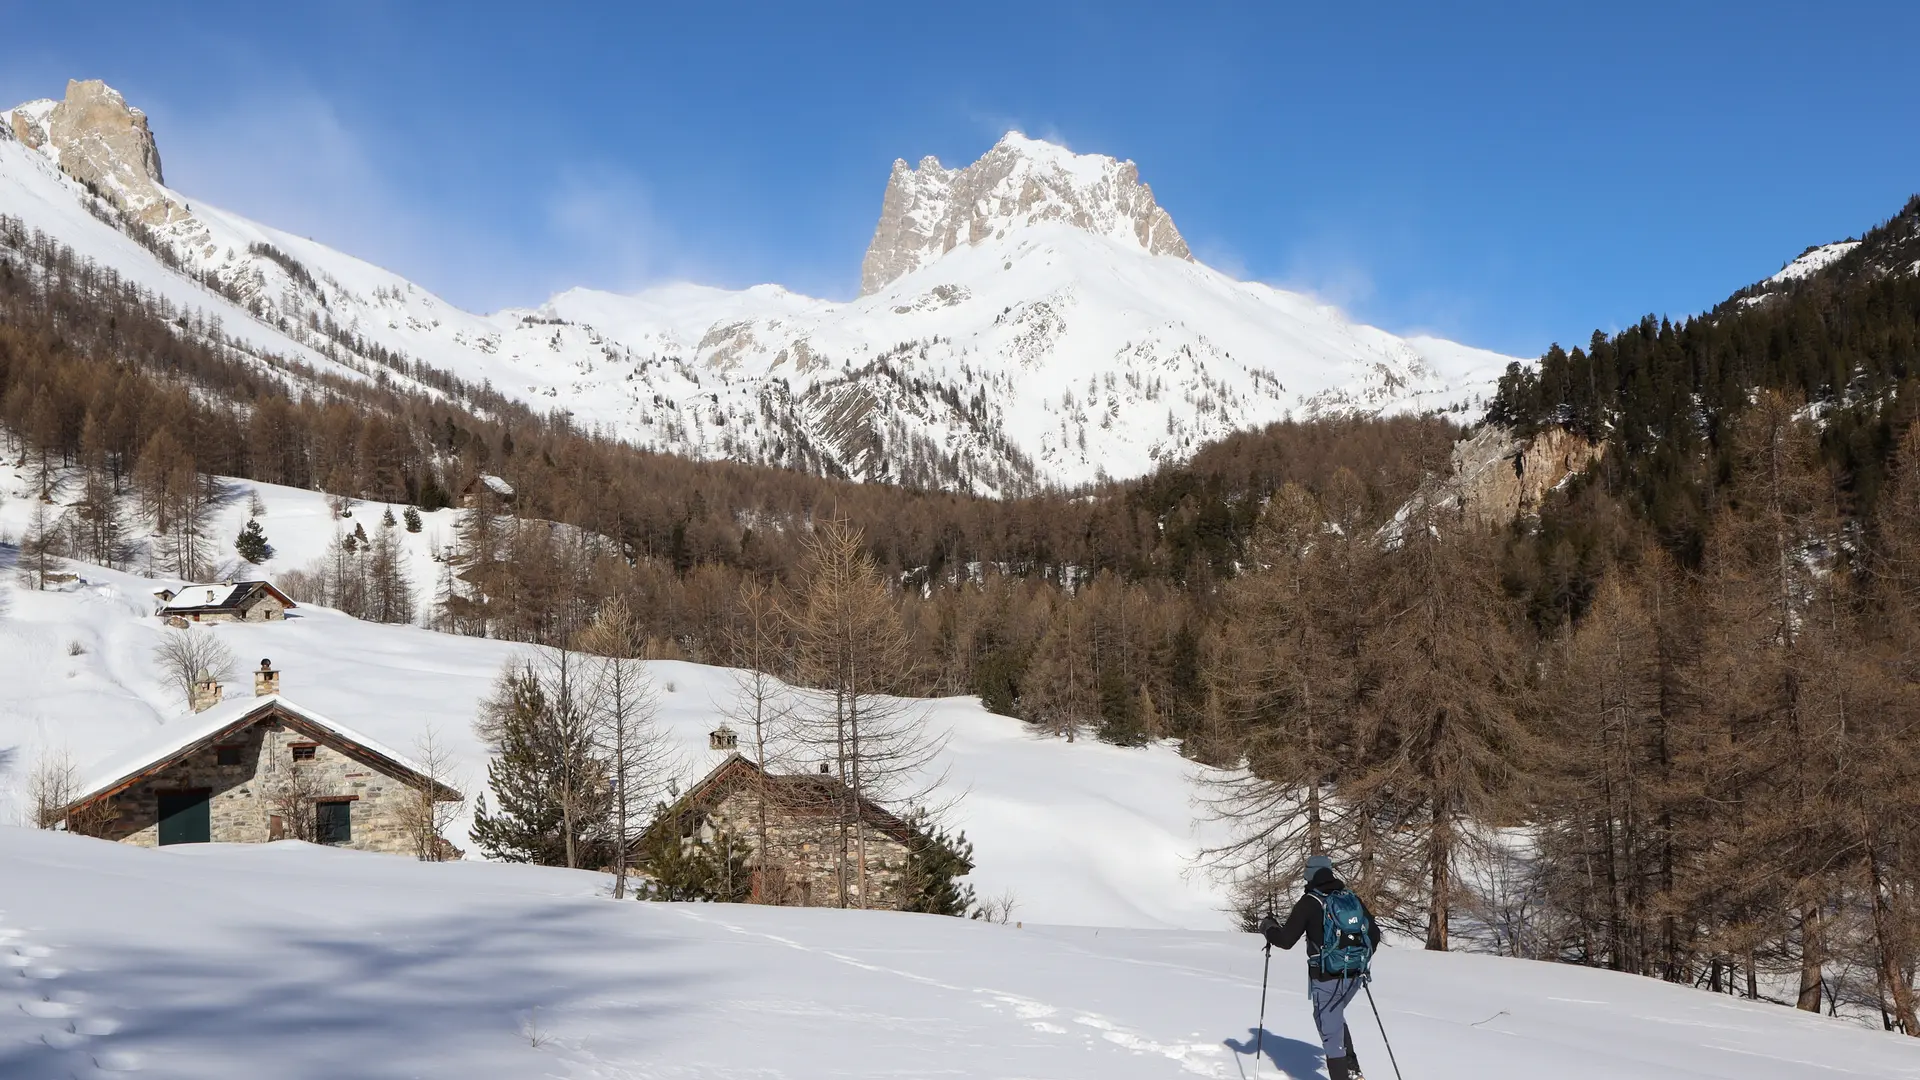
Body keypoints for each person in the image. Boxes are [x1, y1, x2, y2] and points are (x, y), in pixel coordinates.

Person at [1258, 854, 1382, 1080]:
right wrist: (1355, 958)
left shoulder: (1309, 903)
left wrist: (1268, 928)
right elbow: (1374, 933)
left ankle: (1347, 1074)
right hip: (1354, 976)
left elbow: (1285, 940)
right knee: (1331, 1018)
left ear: (1310, 875)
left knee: (1330, 1034)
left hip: (1326, 977)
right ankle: (1352, 1069)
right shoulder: (1350, 898)